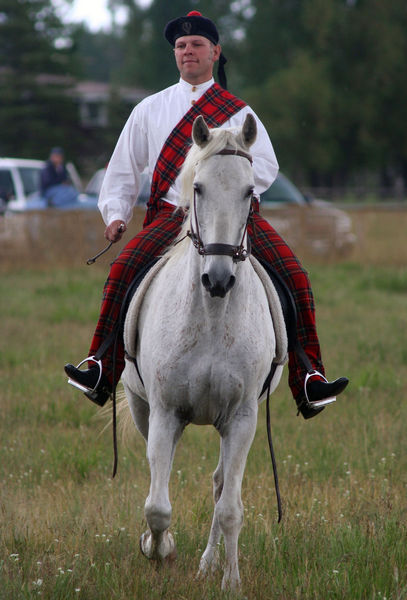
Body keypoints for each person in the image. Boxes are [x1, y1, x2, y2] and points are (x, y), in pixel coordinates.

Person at [65, 11, 348, 419]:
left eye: (196, 45)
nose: (187, 52)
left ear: (214, 52)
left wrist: (230, 191)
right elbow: (123, 167)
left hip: (232, 217)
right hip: (170, 215)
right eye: (181, 46)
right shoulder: (149, 109)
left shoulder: (238, 111)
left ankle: (308, 378)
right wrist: (115, 212)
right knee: (122, 270)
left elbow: (266, 165)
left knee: (296, 278)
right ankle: (100, 368)